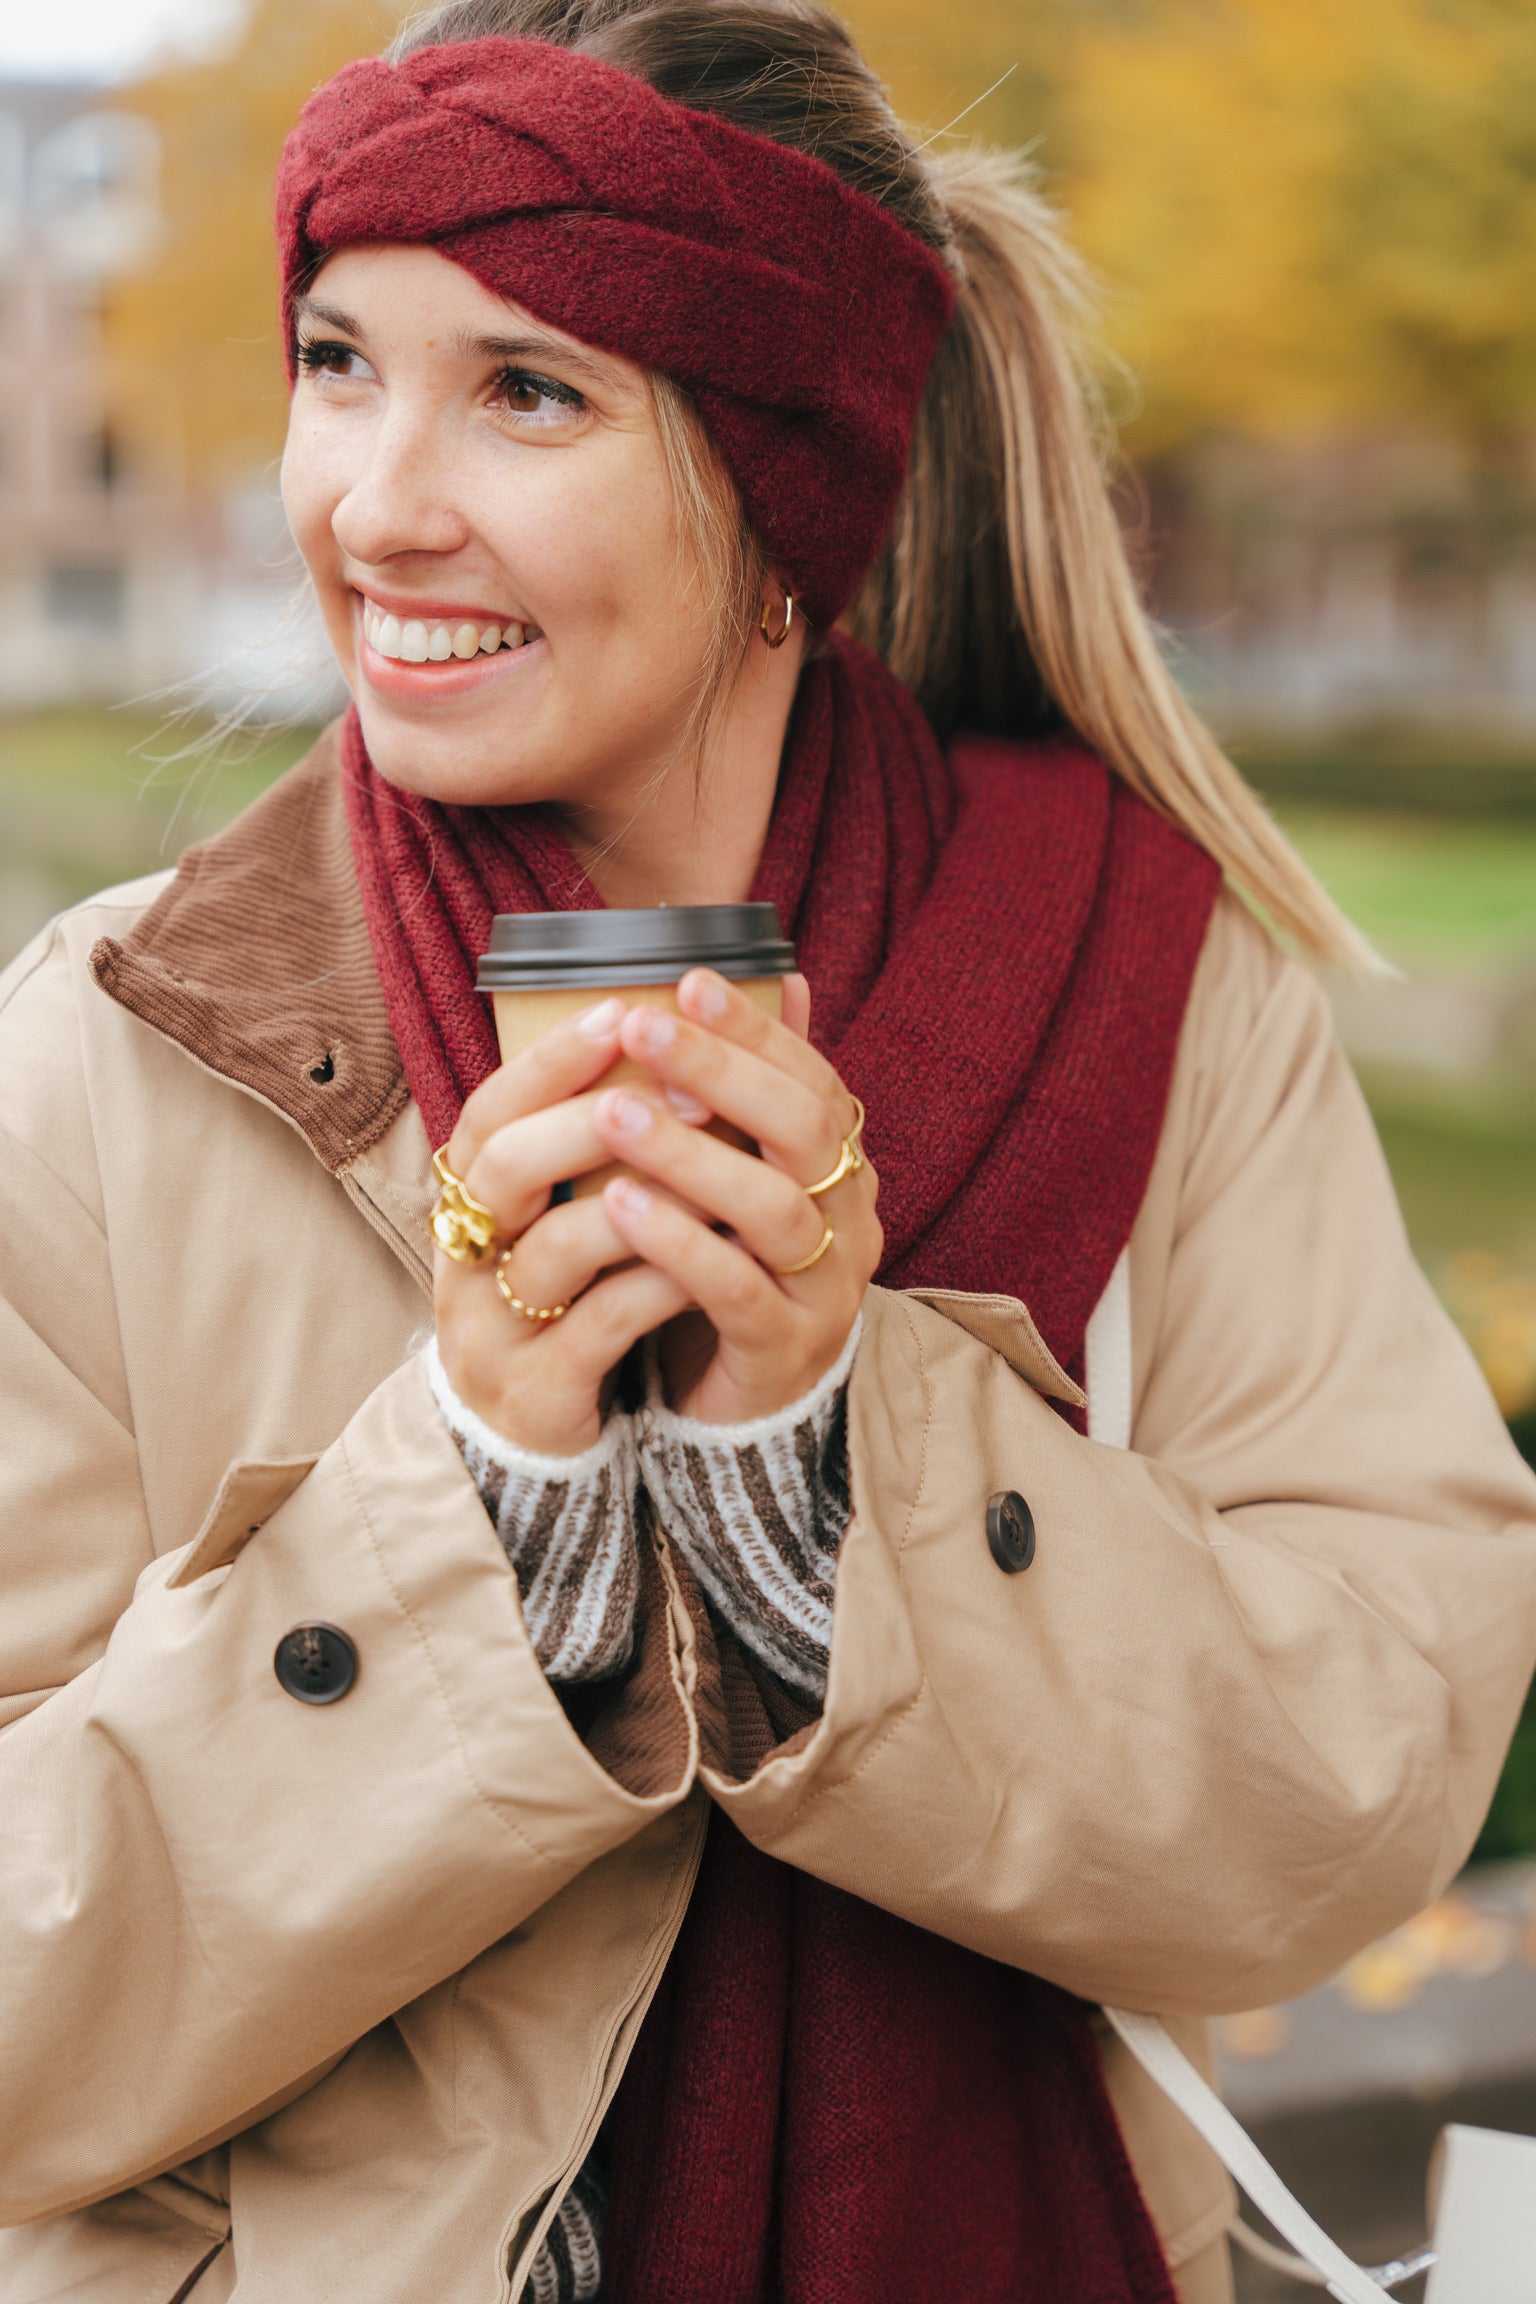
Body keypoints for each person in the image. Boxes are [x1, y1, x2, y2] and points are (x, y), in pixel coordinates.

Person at [1, 3, 1533, 2299]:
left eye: (529, 390)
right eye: (339, 362)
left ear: (790, 495)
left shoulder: (1158, 986)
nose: (374, 500)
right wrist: (478, 1512)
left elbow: (1370, 1787)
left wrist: (832, 1456)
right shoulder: (116, 1054)